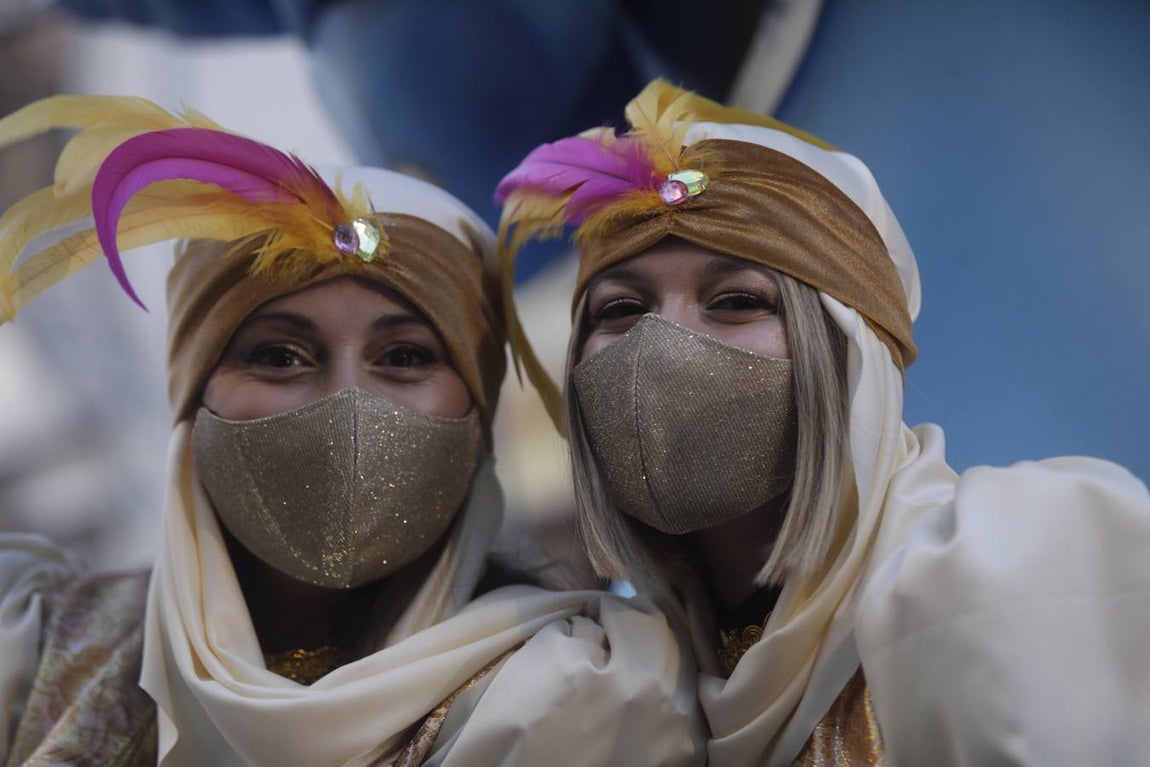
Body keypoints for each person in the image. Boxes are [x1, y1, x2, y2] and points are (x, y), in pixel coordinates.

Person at [0, 95, 703, 766]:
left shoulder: (595, 699)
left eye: (404, 357)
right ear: (192, 400)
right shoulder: (39, 655)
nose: (348, 405)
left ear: (477, 416)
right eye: (278, 356)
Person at [496, 80, 1150, 766]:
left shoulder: (1003, 573)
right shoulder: (609, 695)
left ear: (847, 352)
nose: (660, 344)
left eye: (736, 300)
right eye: (620, 310)